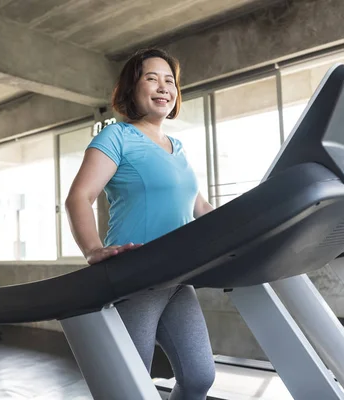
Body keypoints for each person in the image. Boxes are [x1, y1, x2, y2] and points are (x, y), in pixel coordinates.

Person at [65, 48, 217, 400]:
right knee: (129, 386)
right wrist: (92, 249)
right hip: (137, 275)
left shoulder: (177, 148)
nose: (164, 87)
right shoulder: (116, 137)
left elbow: (201, 207)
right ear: (132, 88)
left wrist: (247, 226)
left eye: (170, 81)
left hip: (179, 279)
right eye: (152, 78)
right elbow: (79, 197)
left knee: (199, 378)